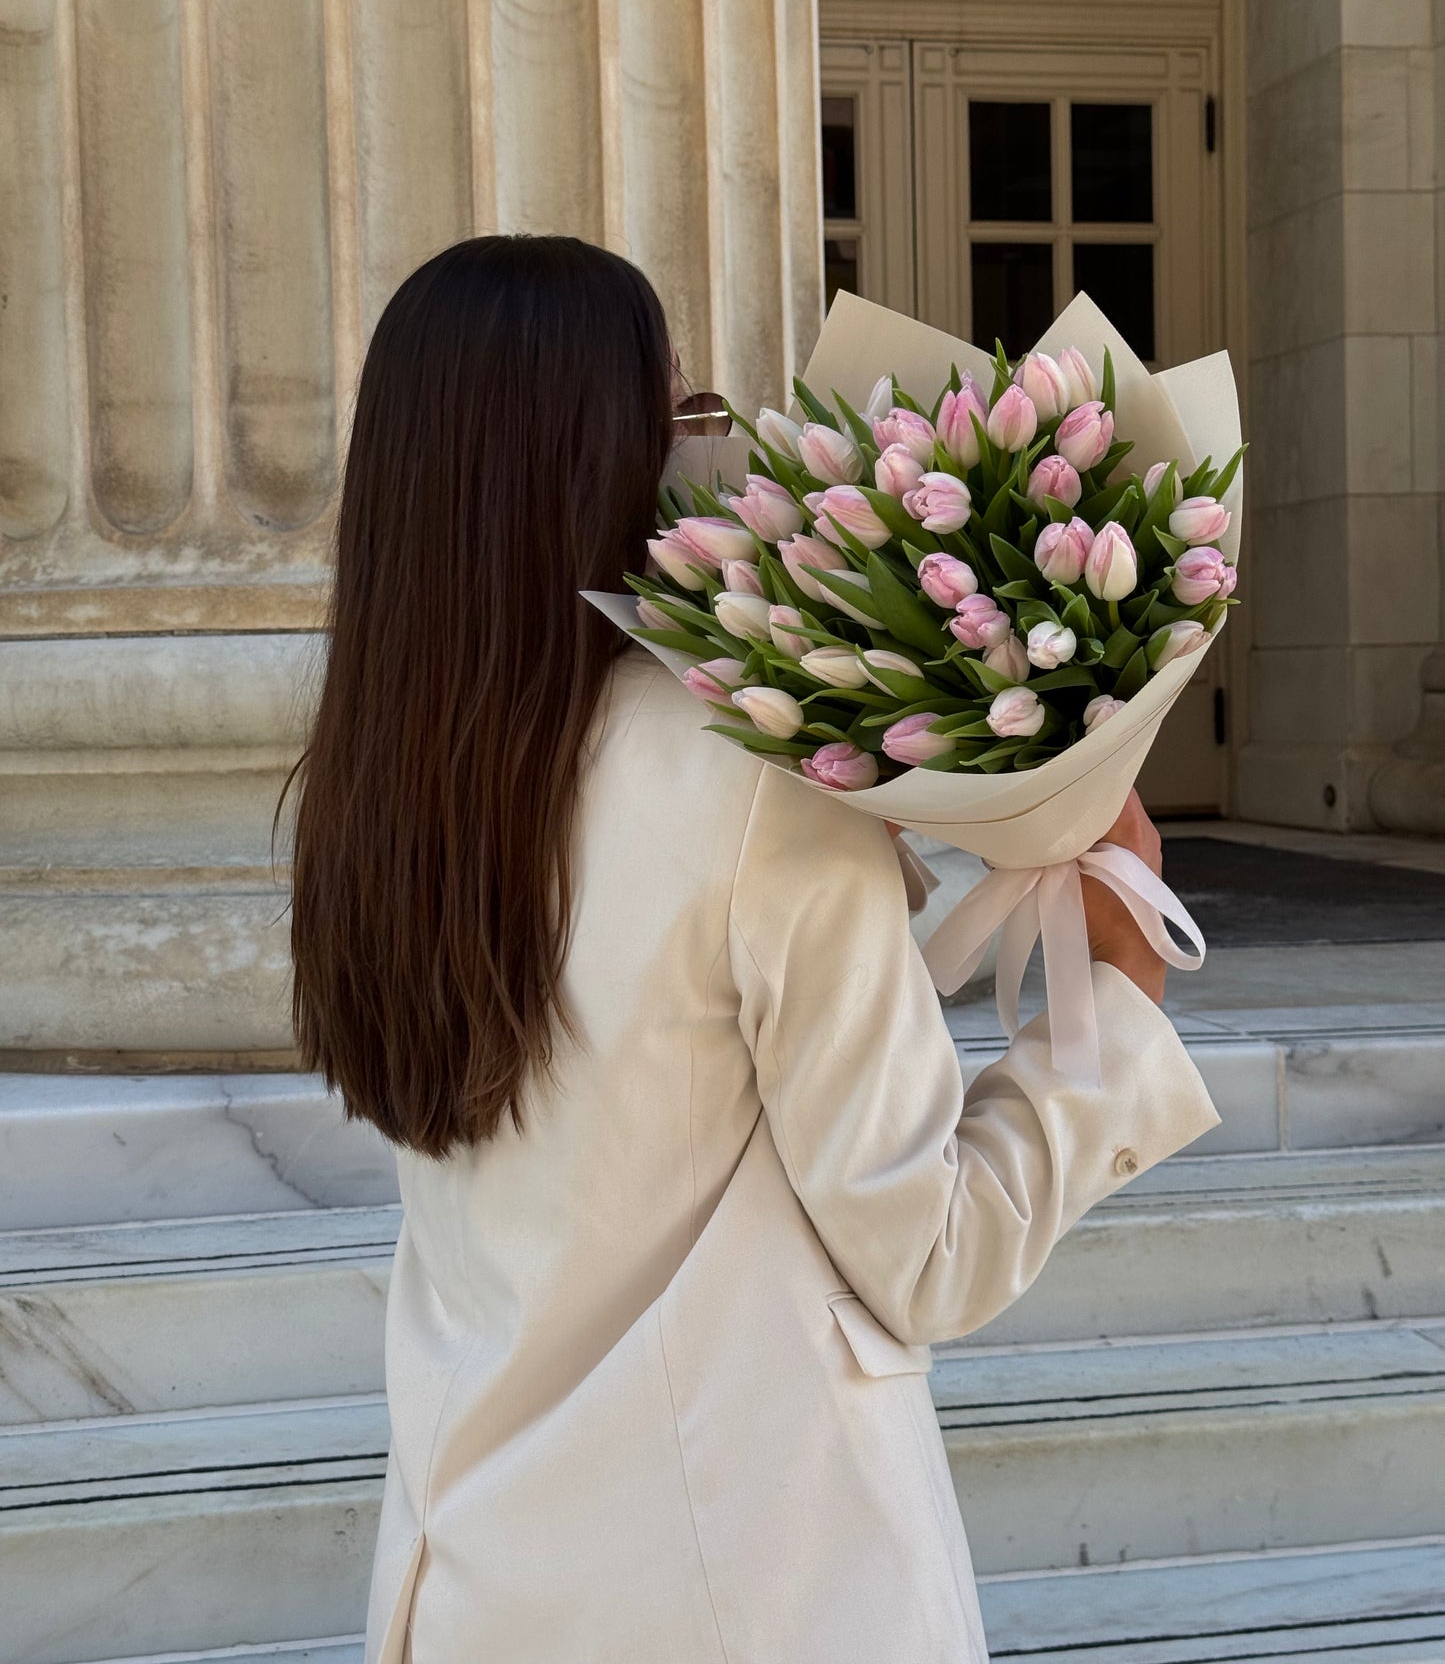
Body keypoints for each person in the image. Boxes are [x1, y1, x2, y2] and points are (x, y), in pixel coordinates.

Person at [283, 234, 1220, 1664]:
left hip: (469, 1571)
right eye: (680, 410)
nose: (702, 445)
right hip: (744, 1582)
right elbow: (930, 1253)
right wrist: (1112, 1011)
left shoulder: (377, 796)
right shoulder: (748, 775)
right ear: (605, 456)